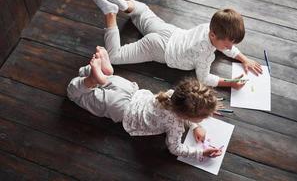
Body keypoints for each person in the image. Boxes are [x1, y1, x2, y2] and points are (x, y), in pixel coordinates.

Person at [67, 47, 222, 160]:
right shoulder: (175, 125)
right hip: (120, 108)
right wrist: (201, 152)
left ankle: (102, 73)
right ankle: (91, 80)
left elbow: (187, 104)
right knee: (75, 94)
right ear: (187, 115)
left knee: (105, 79)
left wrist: (196, 124)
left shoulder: (172, 95)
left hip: (130, 90)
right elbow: (175, 149)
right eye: (202, 118)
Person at [90, 0, 263, 90]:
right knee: (114, 57)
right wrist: (229, 83)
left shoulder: (209, 27)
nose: (229, 48)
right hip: (159, 49)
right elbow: (203, 79)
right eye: (228, 44)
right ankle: (110, 14)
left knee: (141, 13)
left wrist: (243, 58)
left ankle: (126, 5)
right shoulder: (204, 55)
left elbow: (225, 46)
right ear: (213, 36)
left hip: (169, 32)